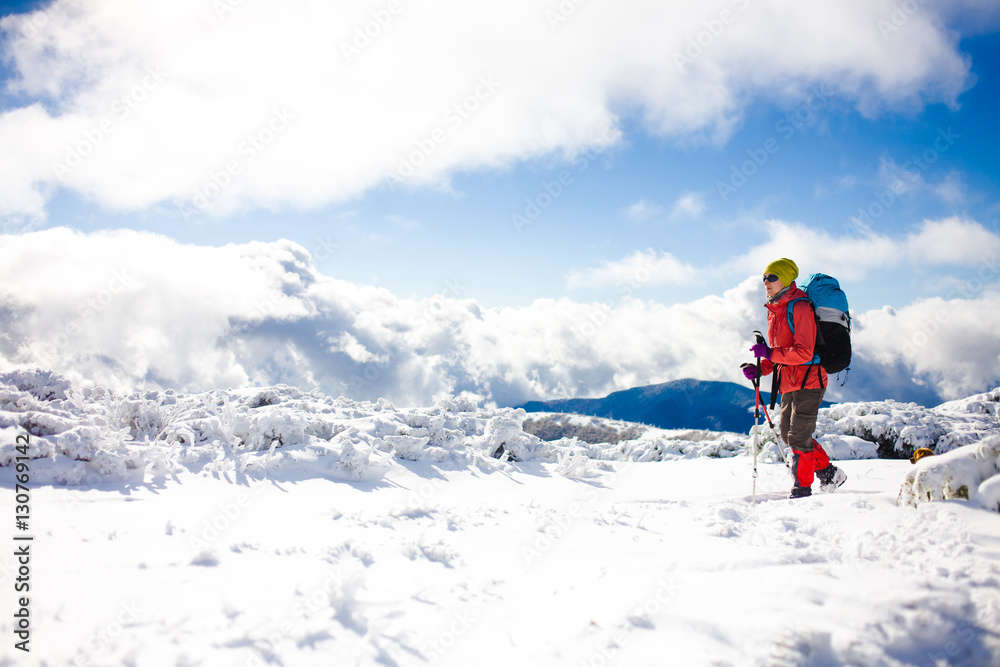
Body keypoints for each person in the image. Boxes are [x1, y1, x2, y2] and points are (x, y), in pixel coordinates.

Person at [742, 258, 847, 498]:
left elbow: (804, 352)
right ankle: (829, 473)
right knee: (789, 434)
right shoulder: (775, 311)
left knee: (798, 437)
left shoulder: (799, 308)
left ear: (786, 279)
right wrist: (761, 368)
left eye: (772, 277)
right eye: (764, 278)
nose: (766, 282)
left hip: (809, 381)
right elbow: (783, 353)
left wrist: (768, 353)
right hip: (789, 382)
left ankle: (802, 490)